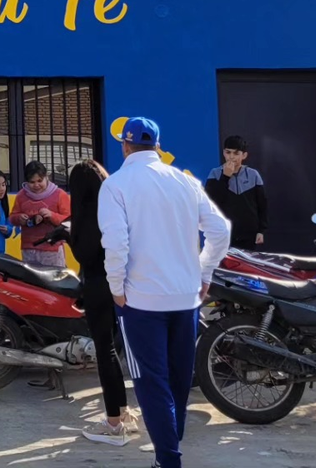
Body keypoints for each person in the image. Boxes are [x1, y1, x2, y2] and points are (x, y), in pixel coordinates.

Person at [99, 117, 230, 468]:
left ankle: (168, 458)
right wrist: (204, 272)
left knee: (151, 382)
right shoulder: (185, 181)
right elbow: (220, 231)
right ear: (157, 146)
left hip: (141, 299)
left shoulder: (115, 185)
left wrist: (116, 287)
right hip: (185, 297)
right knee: (178, 379)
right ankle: (172, 444)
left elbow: (116, 243)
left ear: (125, 146)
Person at [68, 159, 139, 447]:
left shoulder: (88, 215)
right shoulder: (115, 208)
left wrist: (68, 235)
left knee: (105, 351)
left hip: (99, 285)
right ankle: (123, 412)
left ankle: (113, 422)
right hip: (123, 284)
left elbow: (85, 254)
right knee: (119, 352)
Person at [205, 136, 268, 248]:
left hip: (249, 235)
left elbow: (262, 205)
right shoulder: (215, 173)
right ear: (223, 153)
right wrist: (225, 177)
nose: (231, 157)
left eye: (236, 153)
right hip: (223, 234)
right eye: (228, 152)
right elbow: (212, 203)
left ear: (244, 155)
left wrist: (261, 231)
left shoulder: (253, 175)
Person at [9, 161, 71, 267]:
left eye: (40, 181)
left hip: (52, 250)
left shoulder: (60, 195)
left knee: (54, 277)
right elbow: (12, 218)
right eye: (32, 182)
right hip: (28, 249)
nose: (36, 185)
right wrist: (19, 218)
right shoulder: (21, 196)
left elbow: (69, 221)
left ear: (47, 177)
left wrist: (52, 216)